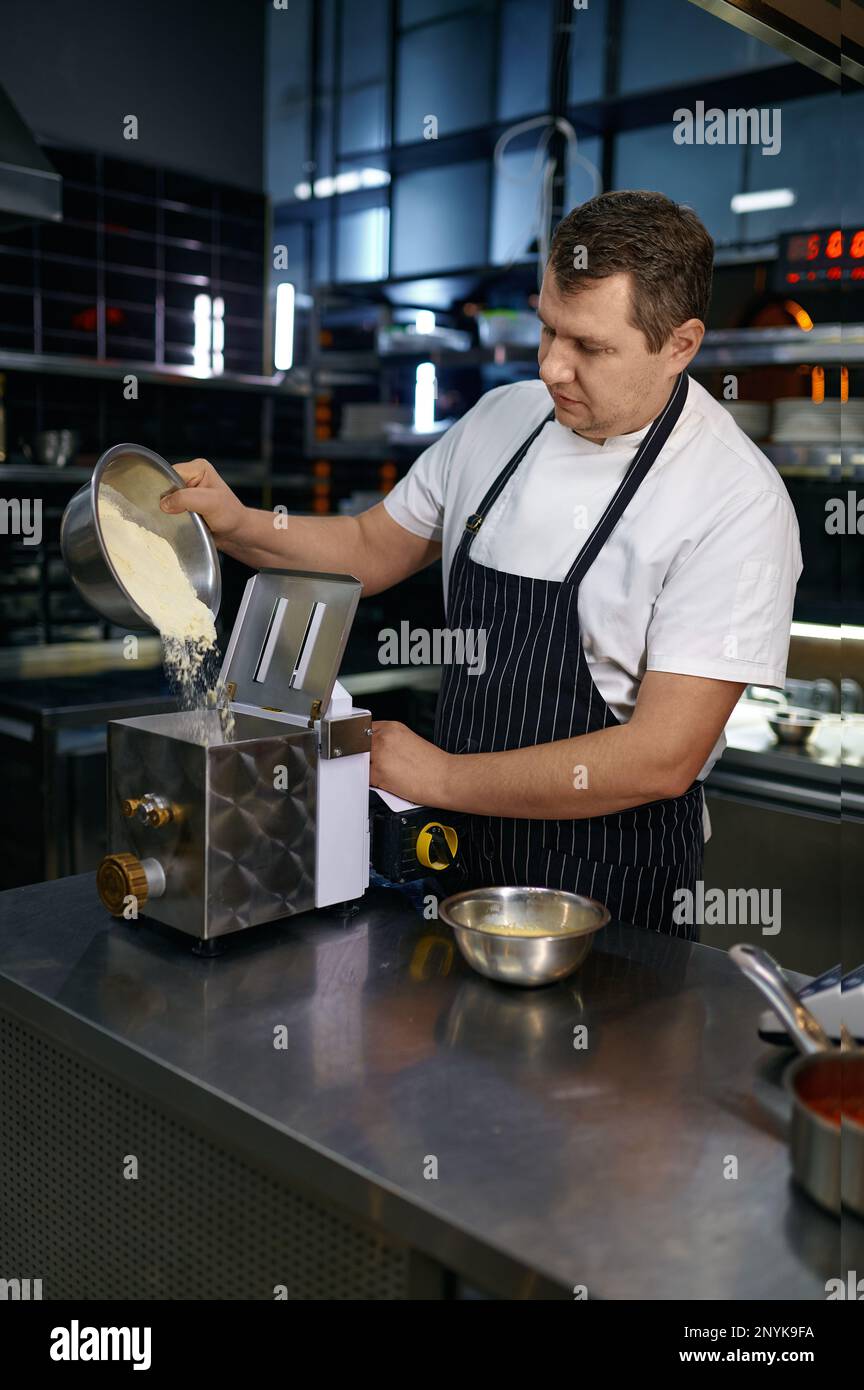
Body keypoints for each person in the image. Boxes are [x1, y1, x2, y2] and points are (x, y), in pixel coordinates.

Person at [161, 190, 801, 937]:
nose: (554, 367)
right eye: (548, 330)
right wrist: (238, 523)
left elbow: (663, 756)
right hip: (453, 858)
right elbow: (368, 550)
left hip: (610, 892)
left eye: (589, 347)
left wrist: (437, 775)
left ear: (680, 345)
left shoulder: (734, 498)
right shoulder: (503, 420)